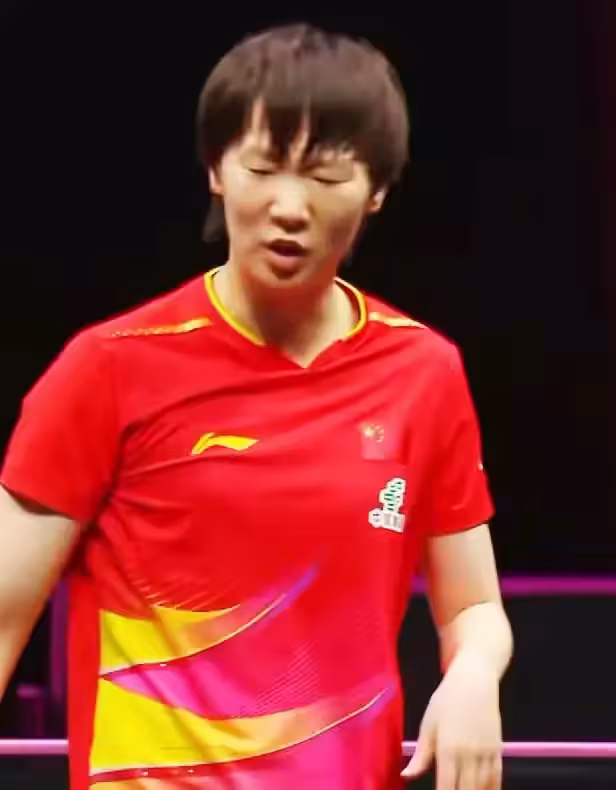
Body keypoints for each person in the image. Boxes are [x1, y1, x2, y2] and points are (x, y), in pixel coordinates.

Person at [0, 23, 512, 790]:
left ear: (376, 191)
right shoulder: (109, 368)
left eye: (326, 177)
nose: (289, 207)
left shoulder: (423, 372)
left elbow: (474, 609)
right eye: (263, 168)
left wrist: (473, 674)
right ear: (216, 170)